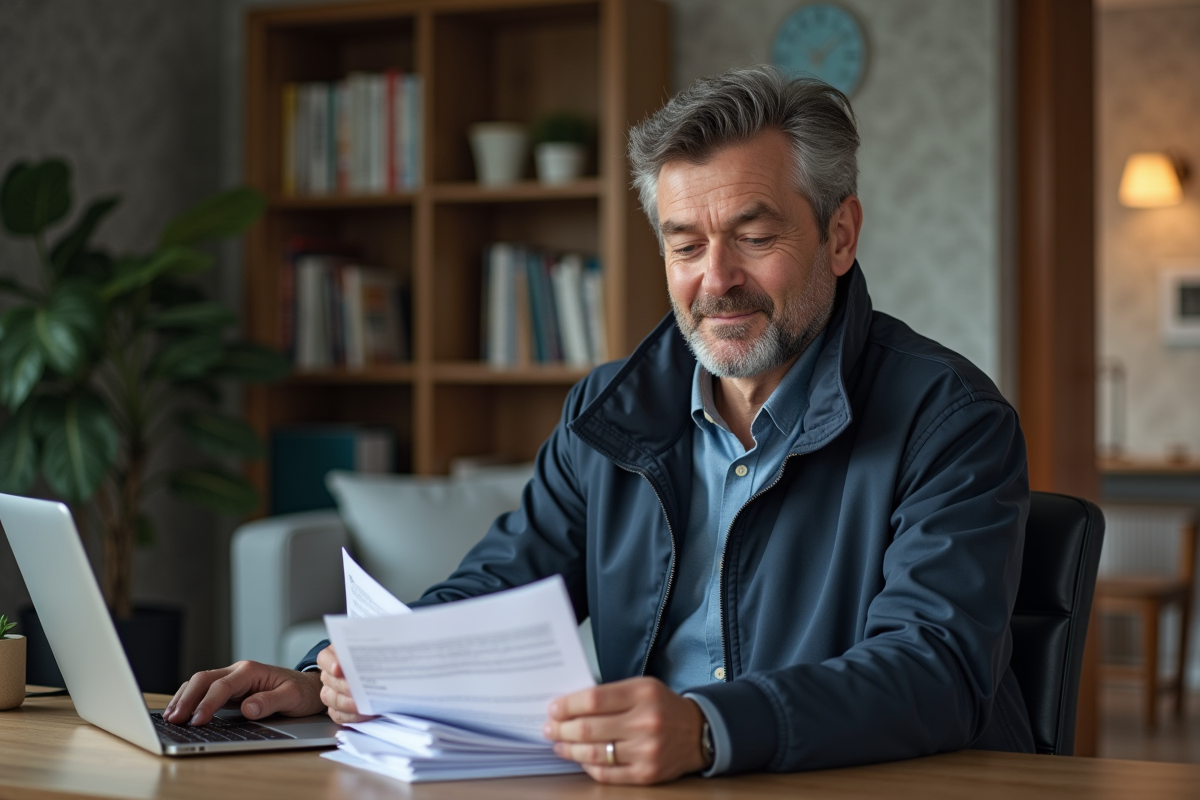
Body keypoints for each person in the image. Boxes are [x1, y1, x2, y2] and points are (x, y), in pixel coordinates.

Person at [164, 66, 1035, 784]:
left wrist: (707, 727)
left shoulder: (951, 421)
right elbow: (500, 586)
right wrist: (337, 670)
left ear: (839, 236)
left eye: (753, 236)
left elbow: (934, 669)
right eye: (686, 244)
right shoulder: (611, 408)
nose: (716, 279)